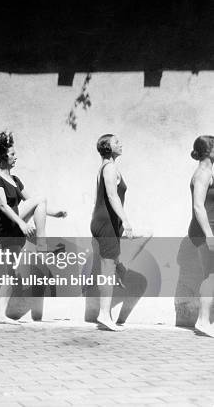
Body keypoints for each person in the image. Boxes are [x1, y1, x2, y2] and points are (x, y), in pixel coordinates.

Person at [0, 131, 66, 324]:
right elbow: (4, 206)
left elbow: (31, 202)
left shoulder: (15, 180)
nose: (16, 157)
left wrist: (55, 213)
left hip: (15, 228)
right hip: (5, 225)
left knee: (9, 272)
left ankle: (0, 315)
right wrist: (23, 223)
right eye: (13, 154)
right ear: (4, 156)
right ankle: (42, 246)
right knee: (41, 198)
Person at [90, 134, 133, 332]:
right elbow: (111, 195)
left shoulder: (106, 167)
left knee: (146, 232)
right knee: (106, 271)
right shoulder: (109, 168)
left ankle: (119, 267)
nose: (121, 143)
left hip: (107, 222)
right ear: (107, 147)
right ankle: (104, 315)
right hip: (107, 223)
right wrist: (125, 220)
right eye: (117, 142)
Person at [188, 135, 214, 337]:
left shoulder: (208, 172)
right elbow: (198, 206)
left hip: (208, 229)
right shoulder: (203, 173)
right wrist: (209, 235)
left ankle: (204, 320)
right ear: (210, 151)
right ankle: (204, 321)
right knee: (210, 276)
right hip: (205, 231)